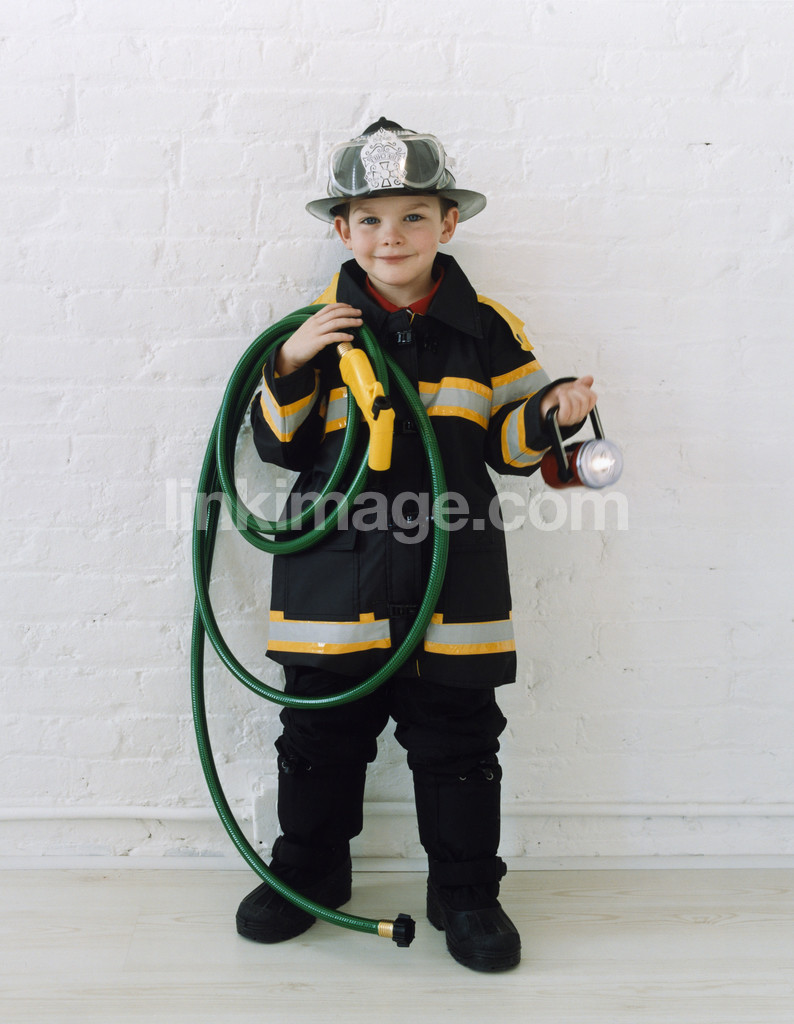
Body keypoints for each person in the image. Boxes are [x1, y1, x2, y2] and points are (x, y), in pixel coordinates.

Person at [238, 118, 597, 971]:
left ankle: (465, 891)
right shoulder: (312, 332)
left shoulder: (488, 332)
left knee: (459, 741)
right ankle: (309, 871)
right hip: (335, 579)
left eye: (412, 217)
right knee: (319, 736)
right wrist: (289, 364)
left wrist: (551, 413)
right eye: (369, 219)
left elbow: (508, 447)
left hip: (451, 579)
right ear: (342, 230)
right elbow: (278, 446)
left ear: (448, 224)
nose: (390, 236)